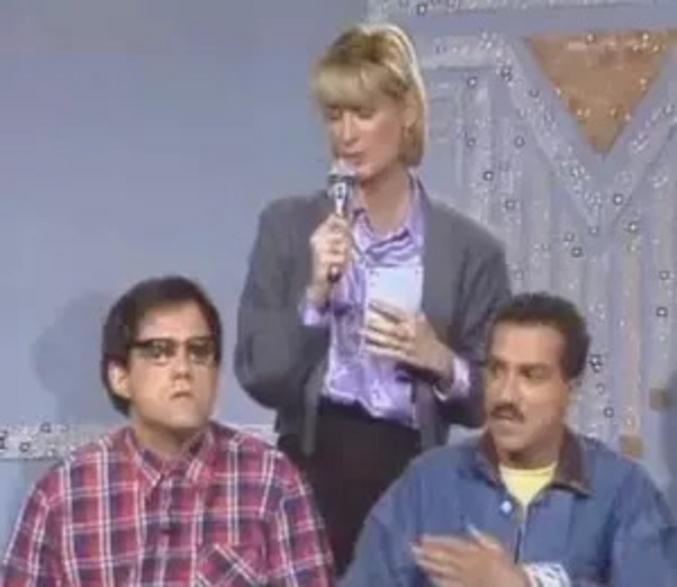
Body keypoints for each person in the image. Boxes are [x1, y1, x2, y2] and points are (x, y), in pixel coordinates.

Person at [235, 23, 510, 573]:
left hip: (411, 473)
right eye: (334, 116)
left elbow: (494, 396)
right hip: (311, 467)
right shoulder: (288, 228)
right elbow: (260, 375)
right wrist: (315, 294)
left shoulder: (470, 251)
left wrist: (442, 362)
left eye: (363, 113)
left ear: (406, 112)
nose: (346, 135)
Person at [2, 276, 334, 585]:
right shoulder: (60, 497)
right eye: (160, 352)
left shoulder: (274, 483)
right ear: (120, 377)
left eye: (199, 351)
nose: (183, 369)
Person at [343, 293, 676, 586]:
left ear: (570, 390)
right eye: (496, 371)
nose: (506, 395)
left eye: (531, 376)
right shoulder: (426, 485)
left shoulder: (623, 494)